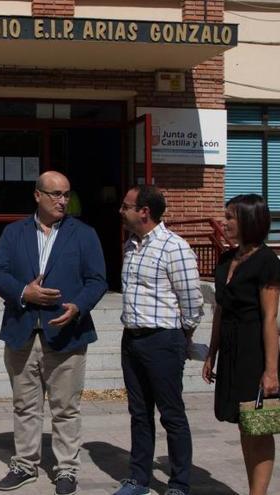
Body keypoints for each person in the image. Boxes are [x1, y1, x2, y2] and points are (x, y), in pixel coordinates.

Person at [0, 171, 108, 495]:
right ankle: (25, 465)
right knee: (25, 406)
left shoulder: (84, 234)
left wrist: (78, 307)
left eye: (66, 194)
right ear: (37, 195)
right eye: (55, 194)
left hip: (67, 335)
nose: (62, 201)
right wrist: (24, 293)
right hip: (22, 333)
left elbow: (98, 280)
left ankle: (66, 469)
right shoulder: (14, 233)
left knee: (65, 409)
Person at [115, 185, 203, 495]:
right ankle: (139, 478)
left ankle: (179, 483)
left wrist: (183, 335)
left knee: (171, 414)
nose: (121, 211)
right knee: (139, 413)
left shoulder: (173, 247)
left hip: (163, 341)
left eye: (126, 206)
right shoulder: (131, 246)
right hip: (133, 340)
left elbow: (192, 301)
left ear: (144, 212)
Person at [202, 194, 280, 495]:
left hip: (255, 350)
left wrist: (271, 371)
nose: (225, 222)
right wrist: (212, 353)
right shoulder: (225, 260)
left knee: (258, 425)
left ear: (250, 220)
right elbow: (220, 310)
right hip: (231, 348)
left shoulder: (267, 262)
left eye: (231, 217)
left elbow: (270, 318)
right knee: (243, 422)